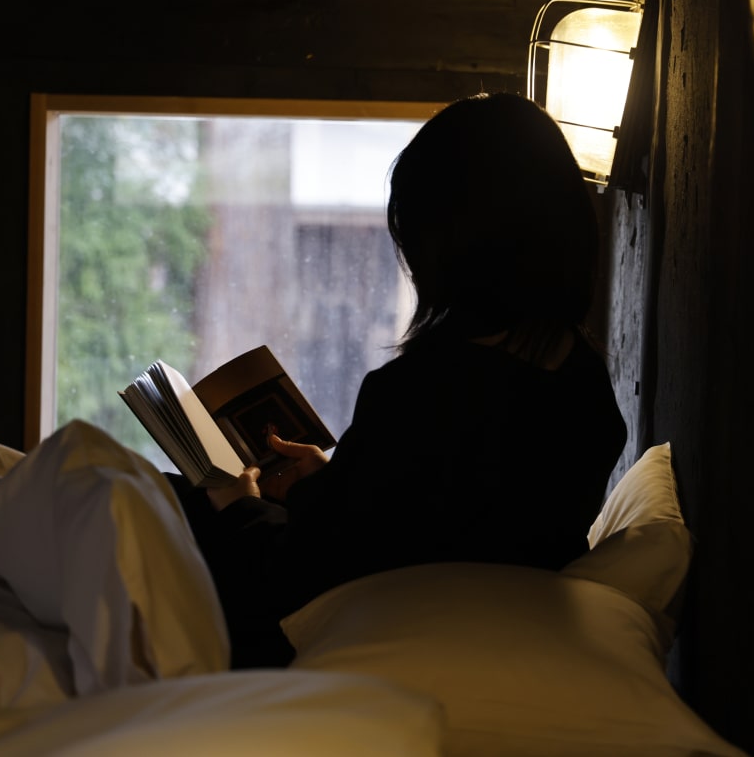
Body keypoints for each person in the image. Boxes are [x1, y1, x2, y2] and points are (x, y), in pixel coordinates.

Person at [172, 92, 627, 667]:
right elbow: (418, 519)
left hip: (335, 629)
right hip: (472, 623)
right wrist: (324, 484)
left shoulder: (421, 395)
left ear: (453, 243)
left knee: (165, 498)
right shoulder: (583, 384)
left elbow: (300, 578)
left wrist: (239, 506)